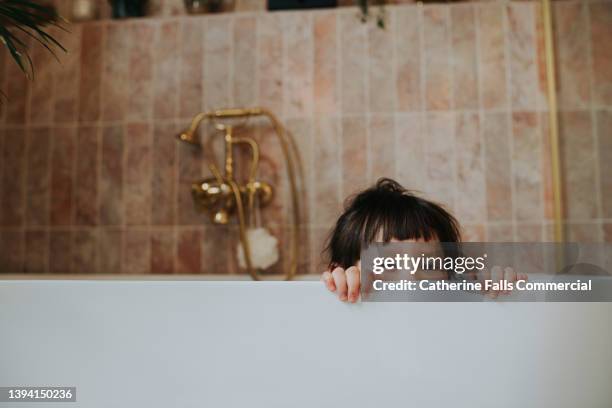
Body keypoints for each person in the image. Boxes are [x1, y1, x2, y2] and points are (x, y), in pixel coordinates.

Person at [321, 178, 526, 302]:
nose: (411, 280)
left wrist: (501, 295)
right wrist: (338, 286)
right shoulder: (345, 314)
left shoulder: (453, 315)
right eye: (389, 263)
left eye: (429, 263)